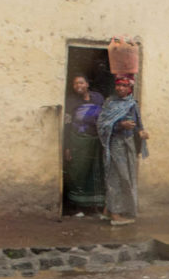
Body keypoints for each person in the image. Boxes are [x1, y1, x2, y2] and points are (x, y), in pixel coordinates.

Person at [98, 76, 149, 226]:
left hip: (129, 144)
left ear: (129, 88)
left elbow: (139, 124)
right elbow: (102, 125)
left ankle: (108, 211)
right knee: (118, 176)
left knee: (126, 176)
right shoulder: (110, 103)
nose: (120, 88)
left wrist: (141, 133)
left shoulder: (133, 104)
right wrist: (121, 125)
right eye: (118, 85)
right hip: (115, 144)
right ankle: (115, 213)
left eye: (124, 86)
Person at [64, 75, 106, 215]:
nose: (78, 86)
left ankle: (95, 207)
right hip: (78, 141)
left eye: (81, 82)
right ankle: (78, 208)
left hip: (96, 141)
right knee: (78, 172)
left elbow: (105, 117)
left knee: (95, 173)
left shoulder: (98, 98)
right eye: (75, 84)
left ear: (87, 84)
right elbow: (67, 124)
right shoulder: (71, 101)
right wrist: (67, 147)